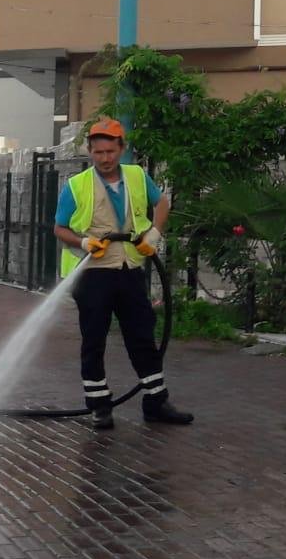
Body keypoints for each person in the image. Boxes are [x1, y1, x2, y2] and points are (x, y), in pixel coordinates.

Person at [53, 118, 192, 431]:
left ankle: (156, 401)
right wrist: (83, 241)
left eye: (110, 151)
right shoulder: (76, 186)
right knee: (94, 340)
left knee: (142, 335)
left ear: (121, 149)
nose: (105, 158)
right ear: (90, 152)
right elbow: (58, 227)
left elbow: (162, 204)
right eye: (98, 152)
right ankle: (99, 406)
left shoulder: (138, 176)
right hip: (92, 274)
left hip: (129, 269)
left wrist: (155, 233)